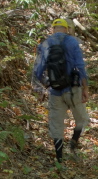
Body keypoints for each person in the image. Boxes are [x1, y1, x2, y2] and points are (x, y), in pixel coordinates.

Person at [31, 18, 90, 165]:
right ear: (66, 29)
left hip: (55, 91)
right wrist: (85, 88)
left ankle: (59, 160)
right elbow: (80, 66)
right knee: (81, 119)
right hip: (73, 89)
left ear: (53, 30)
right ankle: (73, 144)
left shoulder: (45, 44)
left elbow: (38, 72)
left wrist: (44, 87)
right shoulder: (72, 42)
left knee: (56, 125)